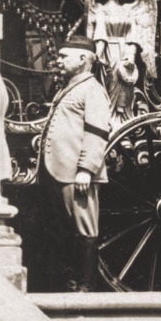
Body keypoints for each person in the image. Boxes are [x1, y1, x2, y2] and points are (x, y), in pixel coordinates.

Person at [40, 36, 115, 291]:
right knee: (60, 228)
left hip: (76, 173)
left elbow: (97, 133)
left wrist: (86, 169)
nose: (57, 60)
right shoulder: (69, 87)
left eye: (64, 56)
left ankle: (85, 286)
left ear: (83, 59)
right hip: (57, 170)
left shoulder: (92, 89)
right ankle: (68, 283)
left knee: (84, 228)